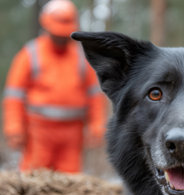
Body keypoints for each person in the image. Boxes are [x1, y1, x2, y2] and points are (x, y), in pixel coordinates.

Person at [2, 0, 107, 173]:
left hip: (72, 135)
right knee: (35, 181)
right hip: (38, 133)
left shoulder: (81, 56)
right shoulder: (30, 53)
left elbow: (94, 94)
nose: (61, 37)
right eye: (57, 32)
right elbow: (14, 95)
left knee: (69, 183)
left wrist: (97, 126)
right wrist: (14, 128)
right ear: (46, 25)